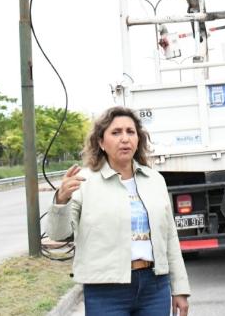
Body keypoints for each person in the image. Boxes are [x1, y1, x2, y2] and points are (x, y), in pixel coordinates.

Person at [47, 106, 191, 316]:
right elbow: (58, 234)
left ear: (138, 139)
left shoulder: (155, 180)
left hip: (155, 287)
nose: (125, 139)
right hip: (106, 290)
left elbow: (170, 238)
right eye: (116, 132)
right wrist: (61, 200)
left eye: (130, 132)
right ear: (101, 142)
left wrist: (180, 289)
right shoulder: (84, 182)